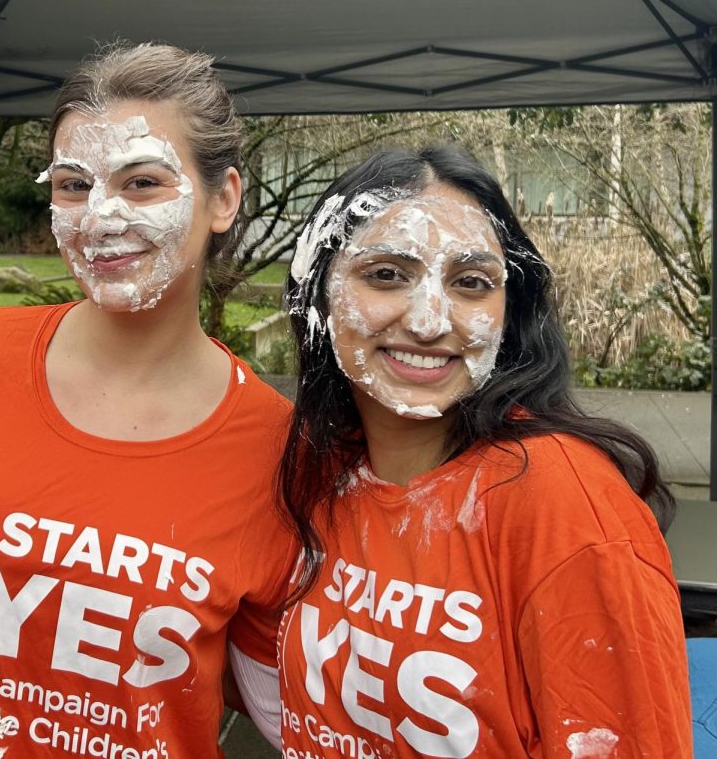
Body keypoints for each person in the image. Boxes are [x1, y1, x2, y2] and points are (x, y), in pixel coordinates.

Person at [0, 42, 296, 756]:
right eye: (73, 185)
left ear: (224, 198)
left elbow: (296, 713)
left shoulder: (277, 446)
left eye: (142, 182)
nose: (99, 217)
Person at [262, 146, 690, 757]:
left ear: (508, 310)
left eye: (470, 283)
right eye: (386, 274)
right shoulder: (319, 470)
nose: (431, 321)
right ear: (318, 297)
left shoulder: (563, 506)